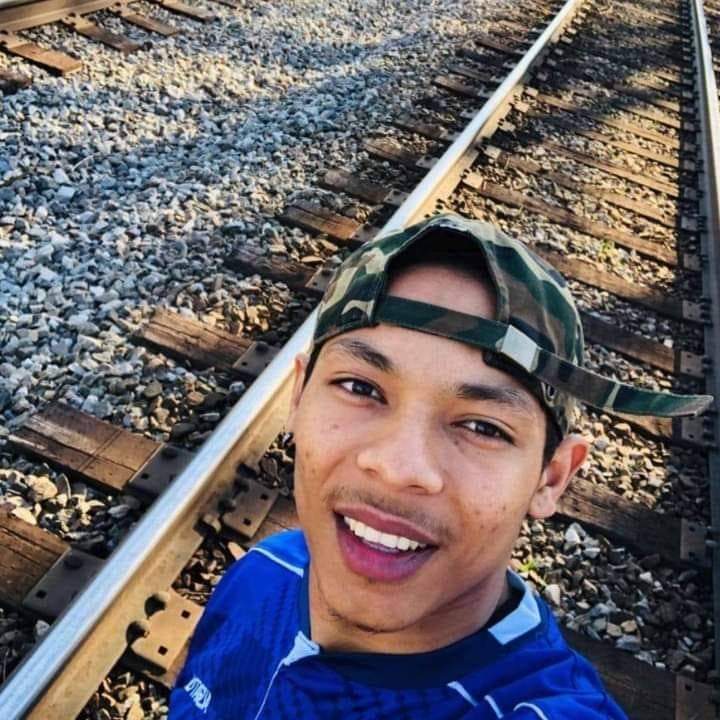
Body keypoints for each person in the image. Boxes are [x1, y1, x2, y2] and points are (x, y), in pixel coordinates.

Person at [169, 213, 711, 719]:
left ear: (551, 478)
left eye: (483, 427)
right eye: (360, 388)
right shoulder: (265, 571)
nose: (398, 466)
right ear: (298, 397)